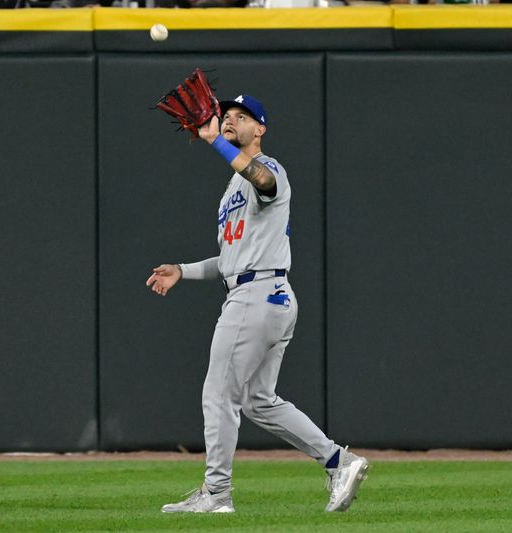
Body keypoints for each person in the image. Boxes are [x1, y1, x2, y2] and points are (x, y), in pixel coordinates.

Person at [146, 94, 369, 513]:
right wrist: (182, 269)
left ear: (260, 129)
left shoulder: (270, 170)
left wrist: (215, 141)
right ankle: (341, 461)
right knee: (258, 400)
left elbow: (263, 180)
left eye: (241, 116)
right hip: (266, 294)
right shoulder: (232, 187)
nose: (231, 119)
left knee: (218, 394)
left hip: (256, 297)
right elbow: (232, 260)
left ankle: (217, 494)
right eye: (226, 115)